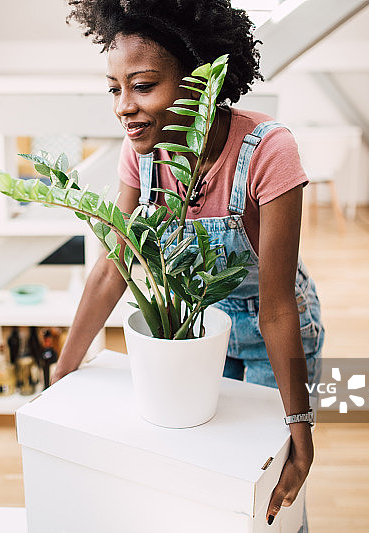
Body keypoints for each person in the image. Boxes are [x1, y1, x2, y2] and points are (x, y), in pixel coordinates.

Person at [53, 0, 324, 529]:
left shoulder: (268, 151)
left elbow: (277, 306)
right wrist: (64, 369)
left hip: (273, 330)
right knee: (209, 479)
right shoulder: (142, 152)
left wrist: (301, 429)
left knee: (273, 498)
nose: (123, 107)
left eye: (142, 86)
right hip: (199, 332)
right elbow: (113, 266)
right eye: (114, 89)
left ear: (200, 80)